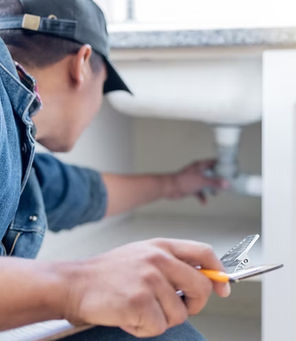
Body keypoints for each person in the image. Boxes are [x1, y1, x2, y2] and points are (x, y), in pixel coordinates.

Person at [0, 0, 230, 339]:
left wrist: (175, 183)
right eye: (104, 85)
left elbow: (83, 193)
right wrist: (80, 285)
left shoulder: (19, 156)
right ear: (83, 63)